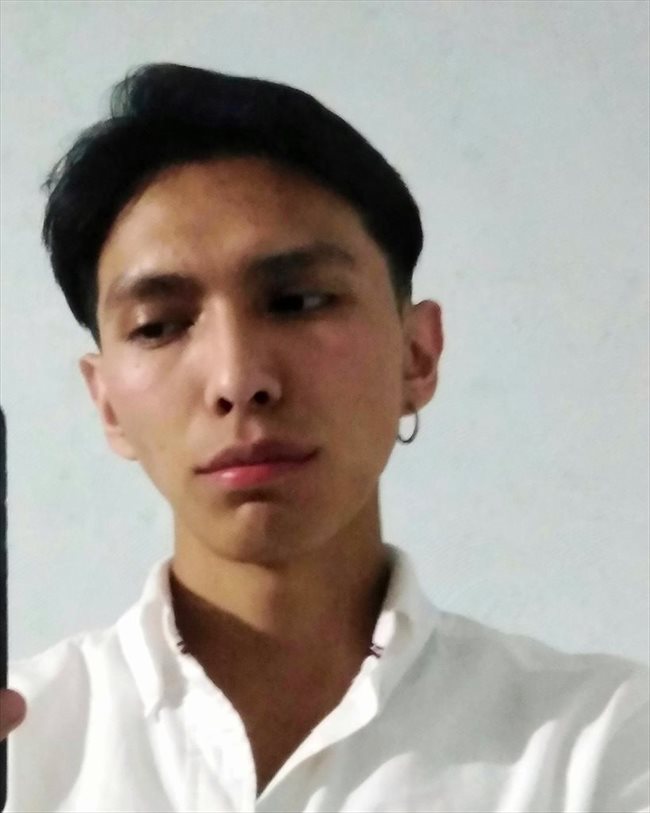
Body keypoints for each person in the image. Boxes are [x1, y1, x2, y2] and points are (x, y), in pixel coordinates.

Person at [0, 63, 647, 812]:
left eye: (299, 300)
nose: (238, 378)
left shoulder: (602, 745)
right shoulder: (25, 752)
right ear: (107, 401)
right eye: (159, 325)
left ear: (417, 354)